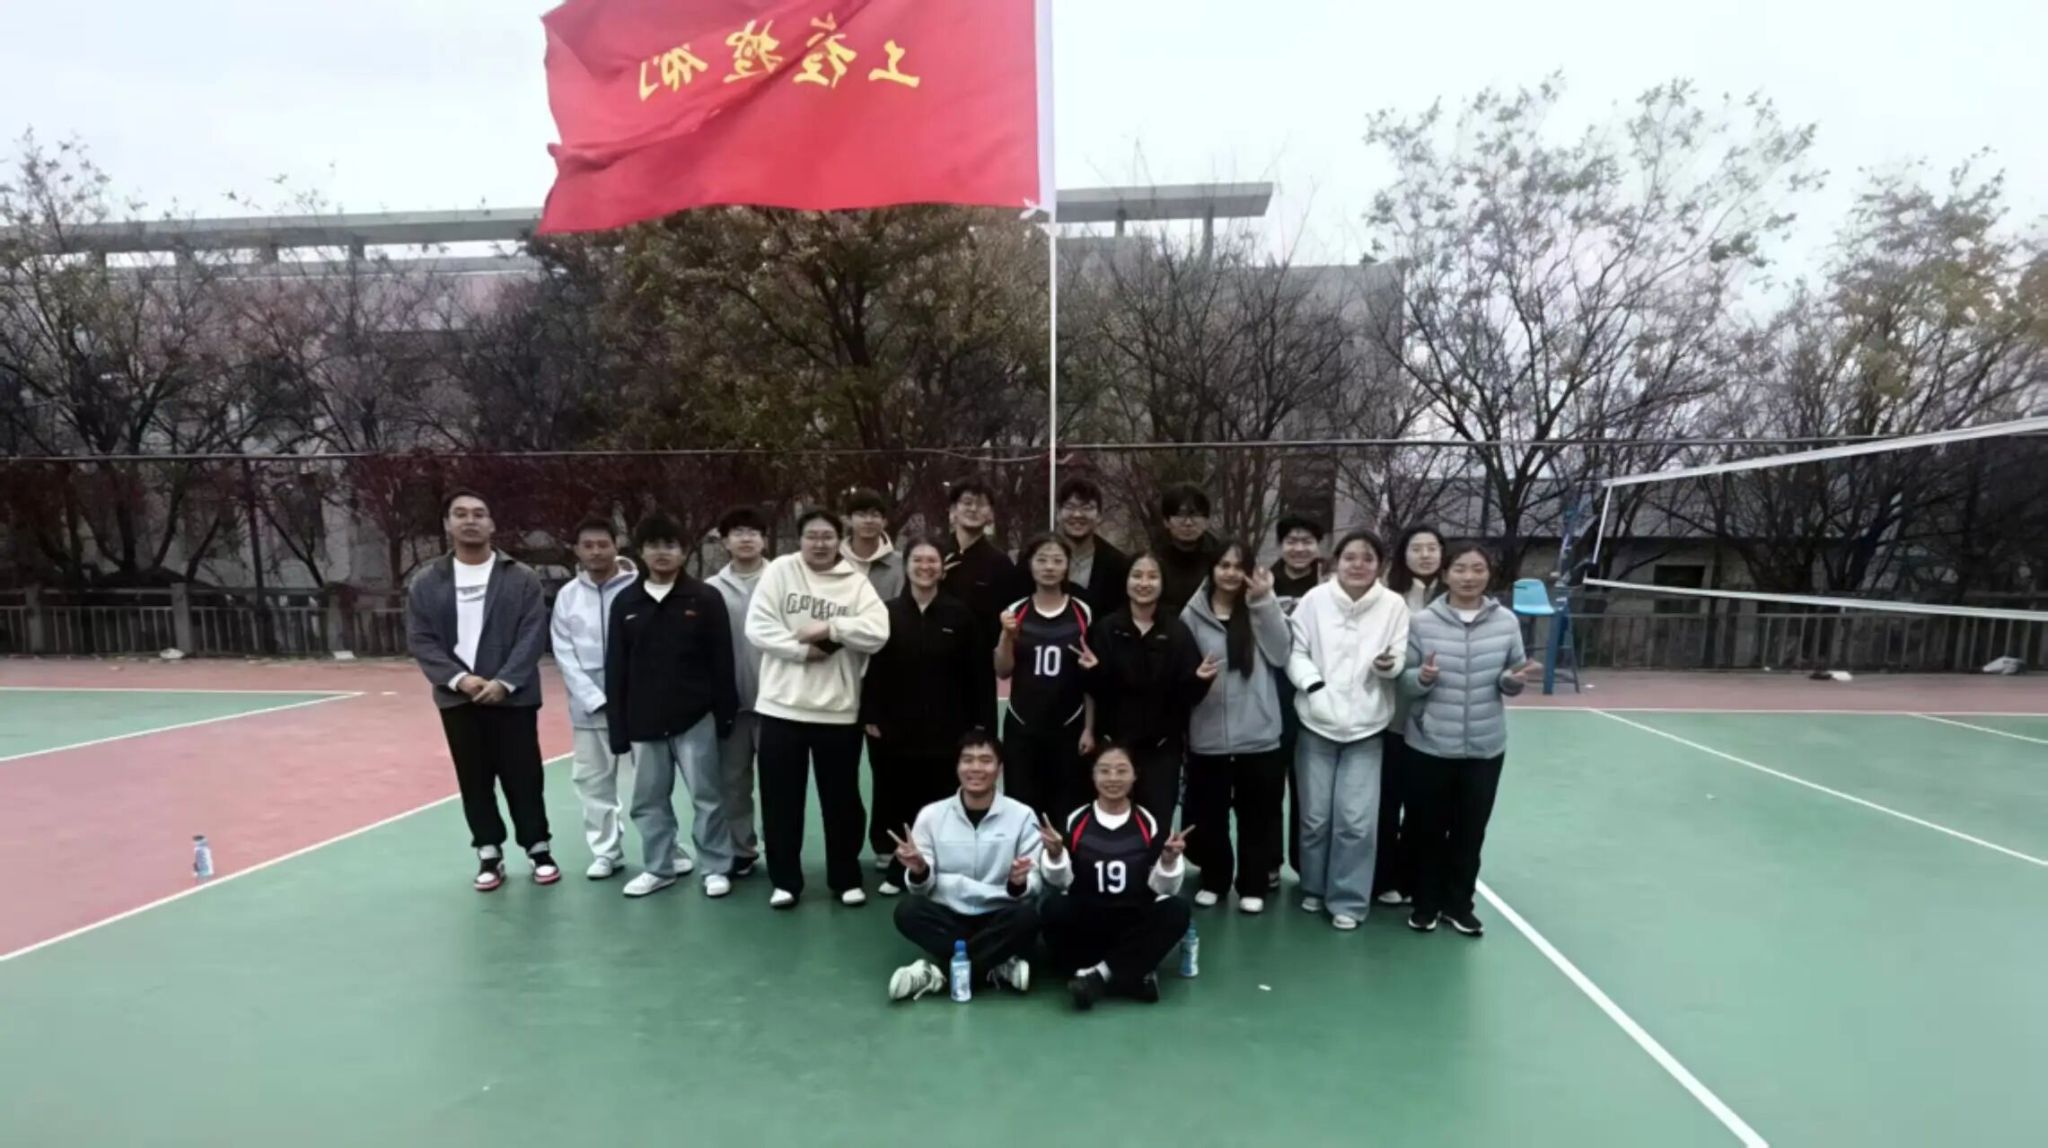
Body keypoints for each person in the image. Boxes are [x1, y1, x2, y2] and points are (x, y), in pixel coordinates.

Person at [405, 489, 557, 892]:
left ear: (491, 523)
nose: (470, 520)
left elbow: (532, 633)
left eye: (478, 513)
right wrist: (459, 679)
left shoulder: (520, 577)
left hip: (514, 698)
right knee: (474, 779)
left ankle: (538, 848)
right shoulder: (426, 581)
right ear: (447, 524)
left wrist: (504, 682)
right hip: (459, 699)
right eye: (460, 514)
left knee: (524, 776)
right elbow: (421, 638)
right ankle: (489, 852)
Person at [745, 508, 891, 909]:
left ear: (839, 540)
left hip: (838, 712)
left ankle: (845, 878)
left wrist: (832, 628)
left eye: (828, 536)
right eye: (812, 536)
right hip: (781, 709)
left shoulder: (855, 581)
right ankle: (785, 882)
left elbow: (878, 631)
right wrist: (802, 651)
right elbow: (758, 628)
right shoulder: (780, 572)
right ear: (800, 539)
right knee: (781, 801)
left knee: (842, 801)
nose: (820, 543)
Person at [1399, 542, 1534, 937]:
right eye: (1460, 568)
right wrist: (1422, 678)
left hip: (1485, 747)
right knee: (1427, 830)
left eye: (1478, 569)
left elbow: (1513, 675)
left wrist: (1511, 681)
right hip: (1430, 744)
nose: (1469, 577)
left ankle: (1460, 905)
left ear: (1489, 574)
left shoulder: (1506, 622)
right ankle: (1425, 904)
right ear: (1445, 574)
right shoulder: (1422, 622)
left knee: (1470, 831)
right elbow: (1404, 681)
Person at [603, 513, 740, 898]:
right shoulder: (625, 602)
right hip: (644, 721)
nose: (661, 552)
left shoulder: (705, 598)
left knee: (707, 798)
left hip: (696, 718)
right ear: (641, 551)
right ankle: (659, 867)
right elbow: (616, 668)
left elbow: (722, 661)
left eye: (670, 545)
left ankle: (716, 867)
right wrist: (618, 728)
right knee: (648, 801)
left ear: (684, 552)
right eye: (653, 545)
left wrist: (725, 715)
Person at [1286, 529, 1411, 930]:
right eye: (1350, 557)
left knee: (1356, 821)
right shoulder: (1314, 600)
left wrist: (1388, 666)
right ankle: (1313, 887)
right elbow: (1296, 652)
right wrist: (1314, 688)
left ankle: (1348, 901)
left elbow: (1399, 655)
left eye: (1368, 558)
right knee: (1315, 818)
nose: (1358, 565)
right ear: (1336, 562)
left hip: (1366, 730)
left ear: (1380, 565)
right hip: (1315, 724)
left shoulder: (1393, 605)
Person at [860, 537, 997, 895]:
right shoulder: (887, 612)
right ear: (906, 566)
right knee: (896, 796)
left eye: (932, 560)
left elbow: (979, 675)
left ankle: (940, 865)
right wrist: (870, 712)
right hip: (895, 728)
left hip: (947, 728)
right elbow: (873, 669)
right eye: (917, 560)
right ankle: (899, 869)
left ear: (942, 568)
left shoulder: (960, 615)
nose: (925, 567)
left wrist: (983, 726)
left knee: (940, 798)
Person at [884, 732, 1042, 1002]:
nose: (976, 768)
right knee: (907, 911)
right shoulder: (931, 815)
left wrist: (1019, 883)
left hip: (998, 911)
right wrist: (920, 870)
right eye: (968, 760)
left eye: (986, 760)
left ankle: (937, 973)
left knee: (1028, 917)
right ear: (957, 767)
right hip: (949, 912)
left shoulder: (1022, 815)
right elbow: (920, 888)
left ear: (999, 769)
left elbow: (1036, 880)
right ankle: (994, 963)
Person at [1039, 743, 1195, 1009]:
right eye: (1105, 771)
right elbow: (1061, 882)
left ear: (1135, 775)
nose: (1113, 778)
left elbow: (1163, 889)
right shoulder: (1075, 820)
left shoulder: (1150, 822)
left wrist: (1168, 861)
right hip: (1088, 920)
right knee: (1053, 908)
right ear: (1093, 775)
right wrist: (1055, 855)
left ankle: (1096, 976)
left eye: (1122, 771)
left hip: (1132, 921)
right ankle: (1130, 975)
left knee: (1177, 910)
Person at [1180, 540, 1292, 914]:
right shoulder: (1191, 615)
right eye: (1223, 565)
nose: (1230, 573)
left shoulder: (1260, 607)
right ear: (1212, 569)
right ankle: (1215, 879)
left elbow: (1281, 653)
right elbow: (1182, 671)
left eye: (1238, 566)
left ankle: (1252, 885)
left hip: (1258, 736)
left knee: (1256, 817)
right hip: (1207, 735)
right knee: (1210, 817)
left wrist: (1264, 602)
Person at [1087, 552, 1216, 825]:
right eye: (1137, 575)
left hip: (1162, 749)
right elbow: (1096, 690)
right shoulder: (1106, 629)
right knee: (1112, 821)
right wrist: (1092, 672)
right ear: (1126, 581)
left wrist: (1201, 680)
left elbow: (1186, 696)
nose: (1144, 583)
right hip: (1114, 746)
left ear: (1162, 582)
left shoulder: (1177, 632)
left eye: (1152, 576)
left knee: (1157, 822)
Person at [548, 516, 642, 880]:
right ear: (576, 550)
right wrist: (592, 697)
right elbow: (564, 651)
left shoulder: (640, 587)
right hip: (589, 710)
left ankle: (665, 849)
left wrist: (635, 694)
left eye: (603, 544)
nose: (596, 551)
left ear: (617, 546)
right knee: (593, 783)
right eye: (587, 545)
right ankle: (606, 853)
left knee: (650, 784)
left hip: (638, 705)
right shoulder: (568, 596)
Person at [994, 534, 1097, 817]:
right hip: (1022, 727)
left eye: (1057, 560)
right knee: (1022, 811)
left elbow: (1090, 678)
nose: (1049, 567)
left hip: (1069, 726)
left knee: (1067, 810)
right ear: (1030, 565)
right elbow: (1002, 669)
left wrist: (1089, 728)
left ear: (1067, 566)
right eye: (1041, 560)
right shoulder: (1015, 611)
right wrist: (1006, 636)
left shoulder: (1083, 612)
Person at [1375, 524, 1445, 907]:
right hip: (1393, 721)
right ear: (1403, 555)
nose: (1425, 555)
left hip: (1437, 726)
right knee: (1387, 805)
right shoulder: (1389, 599)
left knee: (1424, 809)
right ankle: (1385, 878)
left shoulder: (1454, 599)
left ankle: (1416, 879)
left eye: (1432, 548)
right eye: (1417, 548)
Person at [707, 507, 771, 878]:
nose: (746, 538)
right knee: (732, 783)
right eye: (738, 532)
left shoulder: (782, 579)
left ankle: (780, 847)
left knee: (778, 784)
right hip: (731, 705)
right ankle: (741, 849)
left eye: (753, 532)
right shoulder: (711, 589)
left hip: (777, 704)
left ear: (764, 539)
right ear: (725, 541)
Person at [1268, 514, 1326, 888]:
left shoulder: (1332, 584)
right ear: (1280, 545)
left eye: (1307, 541)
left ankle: (1307, 865)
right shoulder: (1263, 582)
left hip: (1317, 696)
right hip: (1272, 697)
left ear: (1318, 546)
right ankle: (1270, 862)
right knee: (1270, 787)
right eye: (1292, 540)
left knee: (1309, 791)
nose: (1299, 548)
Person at [938, 478, 1018, 639]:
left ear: (991, 514)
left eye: (981, 504)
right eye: (967, 503)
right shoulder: (935, 555)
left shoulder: (1000, 563)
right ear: (953, 510)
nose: (973, 509)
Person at [1055, 476, 1130, 620]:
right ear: (1058, 513)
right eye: (1070, 507)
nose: (1077, 514)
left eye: (1087, 508)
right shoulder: (1035, 559)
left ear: (1099, 515)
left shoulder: (1118, 564)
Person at [1154, 483, 1223, 620]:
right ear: (1166, 521)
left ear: (1206, 521)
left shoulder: (1220, 559)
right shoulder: (1154, 560)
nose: (1188, 523)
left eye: (1195, 515)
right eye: (1180, 515)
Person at [841, 487, 905, 601]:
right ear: (848, 520)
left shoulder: (901, 565)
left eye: (875, 515)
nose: (868, 521)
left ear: (884, 522)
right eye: (861, 515)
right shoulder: (834, 562)